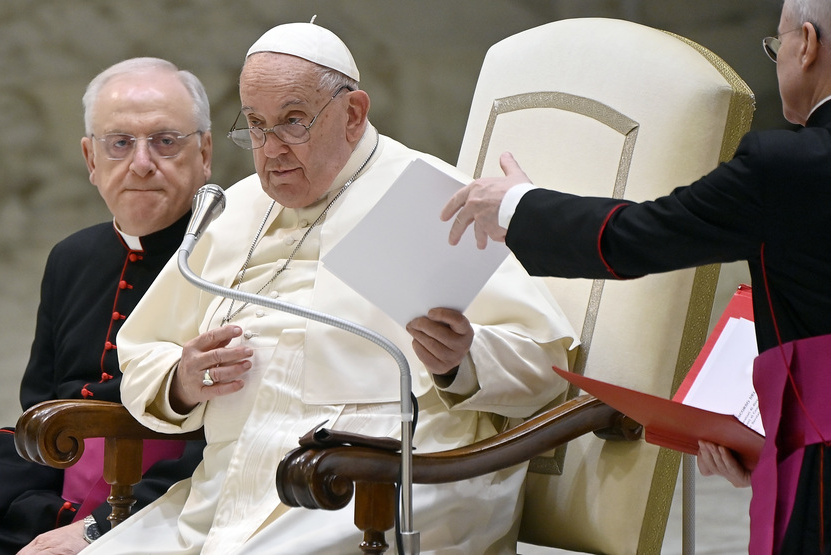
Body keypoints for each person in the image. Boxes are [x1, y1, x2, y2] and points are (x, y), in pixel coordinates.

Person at [76, 22, 578, 555]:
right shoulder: (237, 210)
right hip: (227, 488)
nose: (270, 149)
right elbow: (142, 352)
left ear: (353, 114)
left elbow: (544, 365)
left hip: (377, 491)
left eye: (293, 121)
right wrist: (182, 379)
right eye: (255, 125)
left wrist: (462, 359)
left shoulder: (431, 197)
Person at [442, 1, 831, 554]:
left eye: (777, 46)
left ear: (808, 45)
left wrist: (517, 207)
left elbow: (639, 236)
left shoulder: (788, 167)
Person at [0, 57, 212, 555]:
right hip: (48, 497)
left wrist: (100, 528)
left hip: (159, 508)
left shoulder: (236, 262)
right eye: (119, 143)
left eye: (165, 140)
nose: (141, 162)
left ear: (205, 152)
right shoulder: (71, 257)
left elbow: (228, 443)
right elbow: (40, 412)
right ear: (91, 160)